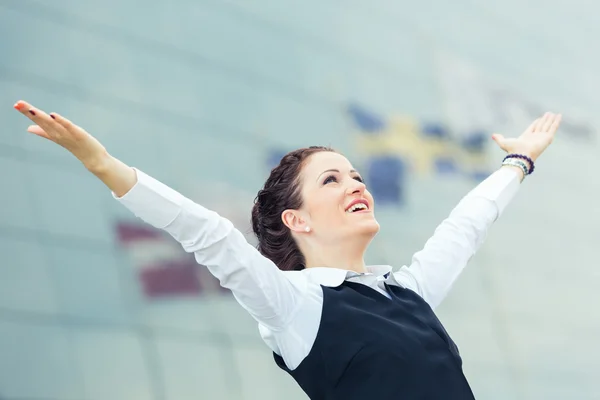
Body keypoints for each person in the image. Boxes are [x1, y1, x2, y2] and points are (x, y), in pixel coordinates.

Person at [13, 100, 561, 399]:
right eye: (331, 181)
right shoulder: (295, 307)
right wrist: (105, 166)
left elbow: (464, 228)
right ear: (295, 219)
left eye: (354, 174)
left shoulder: (408, 292)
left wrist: (519, 162)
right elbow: (207, 233)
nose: (355, 185)